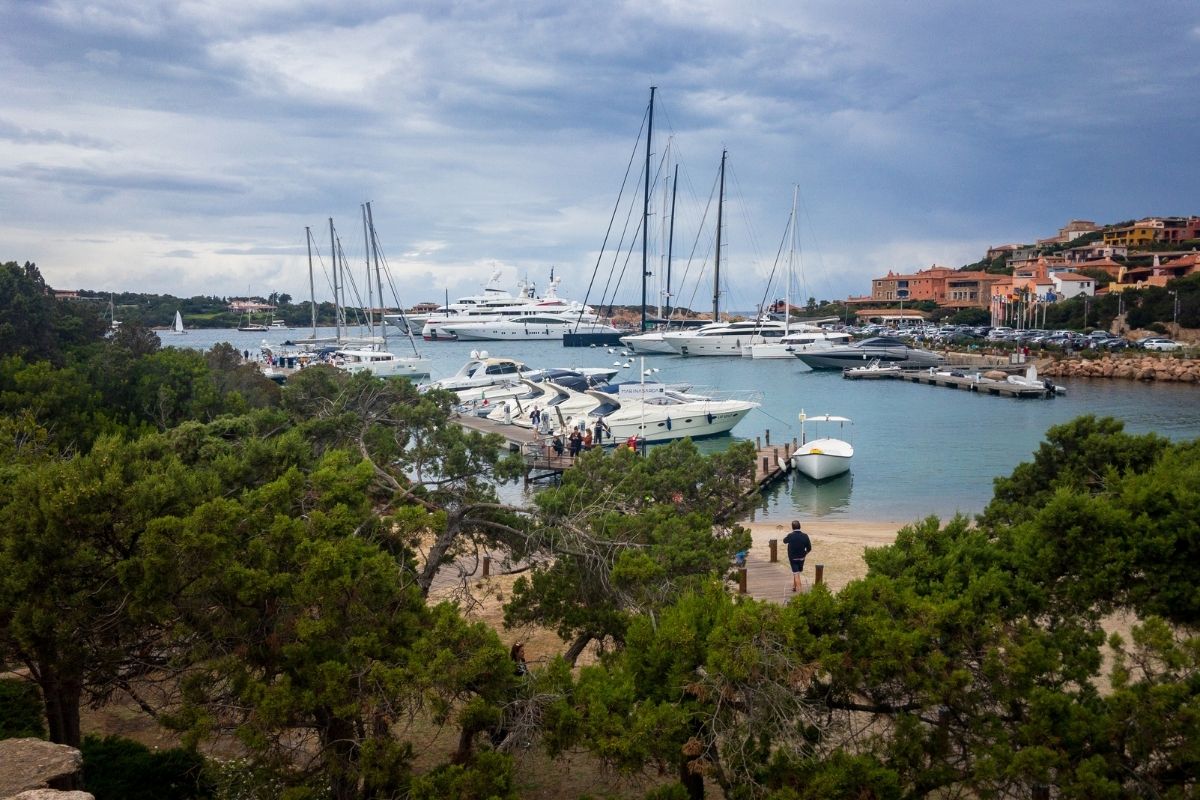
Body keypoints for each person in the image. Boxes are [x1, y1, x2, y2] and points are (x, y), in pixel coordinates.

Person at [783, 519, 812, 593]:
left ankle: (800, 593)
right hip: (802, 558)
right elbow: (809, 548)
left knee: (796, 574)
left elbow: (784, 541)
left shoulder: (790, 536)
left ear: (792, 527)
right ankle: (794, 586)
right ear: (800, 526)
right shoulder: (805, 536)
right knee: (797, 572)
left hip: (793, 558)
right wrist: (805, 553)